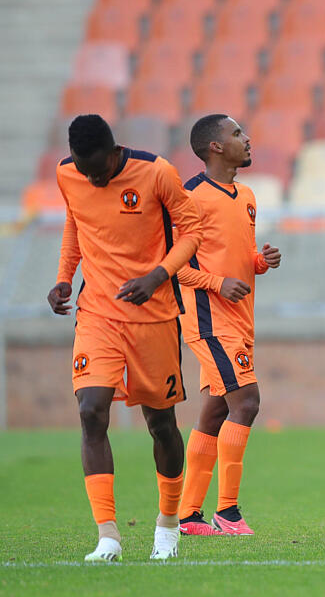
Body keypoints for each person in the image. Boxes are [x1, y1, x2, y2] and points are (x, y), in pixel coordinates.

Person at [47, 114, 204, 561]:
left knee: (162, 425)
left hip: (153, 316)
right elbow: (76, 223)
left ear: (114, 152)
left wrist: (158, 275)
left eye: (98, 171)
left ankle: (168, 525)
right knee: (91, 411)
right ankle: (108, 537)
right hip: (97, 312)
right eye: (83, 171)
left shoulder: (156, 173)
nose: (92, 180)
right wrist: (64, 277)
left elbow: (191, 232)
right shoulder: (67, 174)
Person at [175, 114, 281, 536]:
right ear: (214, 147)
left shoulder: (247, 195)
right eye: (237, 133)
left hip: (239, 319)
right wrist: (218, 283)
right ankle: (228, 512)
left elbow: (241, 255)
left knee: (217, 409)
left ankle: (188, 515)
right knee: (247, 402)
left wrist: (260, 263)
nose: (247, 139)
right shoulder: (190, 197)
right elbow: (169, 264)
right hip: (208, 319)